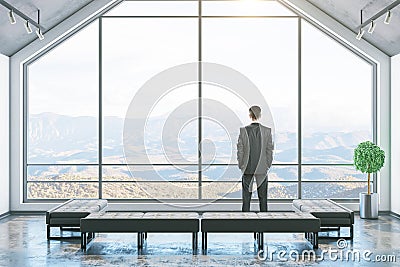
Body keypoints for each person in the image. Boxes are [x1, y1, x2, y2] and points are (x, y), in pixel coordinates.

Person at [237, 106, 274, 212]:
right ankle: (264, 221)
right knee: (263, 198)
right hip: (262, 168)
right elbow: (269, 150)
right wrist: (267, 165)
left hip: (247, 168)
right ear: (260, 115)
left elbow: (240, 150)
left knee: (246, 198)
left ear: (250, 115)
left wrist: (241, 165)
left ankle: (245, 222)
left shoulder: (243, 131)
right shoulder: (267, 131)